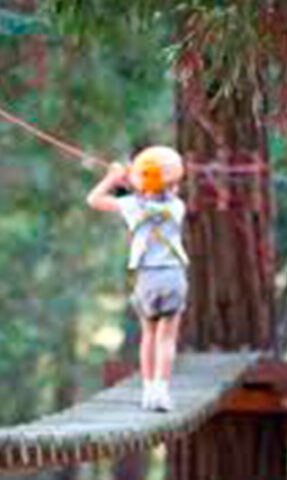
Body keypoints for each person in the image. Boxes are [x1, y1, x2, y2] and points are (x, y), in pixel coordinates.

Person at [86, 146, 188, 411]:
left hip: (146, 278)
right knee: (167, 338)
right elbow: (165, 184)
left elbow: (94, 199)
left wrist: (113, 177)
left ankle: (147, 392)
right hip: (173, 275)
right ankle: (161, 391)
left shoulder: (131, 206)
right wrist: (137, 176)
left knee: (149, 336)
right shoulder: (177, 206)